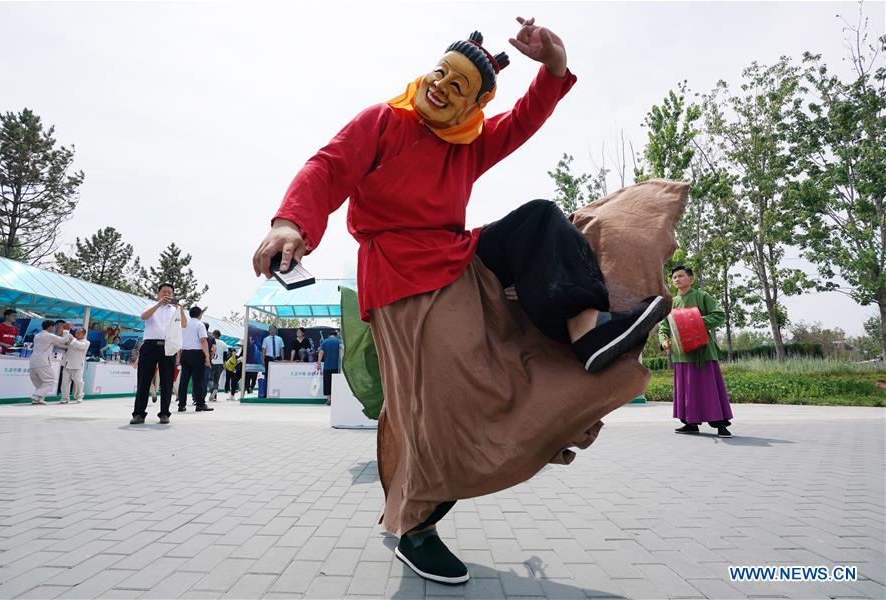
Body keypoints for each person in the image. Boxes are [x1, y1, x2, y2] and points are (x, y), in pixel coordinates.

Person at [253, 18, 667, 584]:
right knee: (444, 405)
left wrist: (554, 65)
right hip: (401, 276)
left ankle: (588, 328)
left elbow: (524, 120)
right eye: (439, 73)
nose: (442, 86)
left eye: (459, 87)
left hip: (459, 258)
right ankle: (416, 527)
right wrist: (289, 223)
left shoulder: (467, 147)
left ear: (471, 107)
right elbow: (327, 167)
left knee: (541, 219)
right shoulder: (383, 121)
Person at [658, 265, 734, 437]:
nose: (677, 279)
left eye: (681, 276)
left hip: (703, 353)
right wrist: (664, 341)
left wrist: (692, 320)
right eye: (674, 277)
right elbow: (664, 327)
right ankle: (690, 423)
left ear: (691, 279)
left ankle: (720, 424)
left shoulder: (702, 296)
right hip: (681, 354)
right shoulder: (671, 303)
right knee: (686, 391)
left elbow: (718, 315)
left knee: (709, 389)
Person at [131, 283, 187, 425]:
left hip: (168, 347)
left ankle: (164, 414)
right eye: (164, 292)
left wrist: (181, 310)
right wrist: (158, 304)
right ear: (158, 293)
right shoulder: (151, 307)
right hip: (150, 345)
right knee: (144, 381)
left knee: (167, 381)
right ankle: (139, 414)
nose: (166, 294)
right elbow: (143, 317)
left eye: (169, 292)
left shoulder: (175, 310)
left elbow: (184, 324)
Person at [177, 307, 214, 413]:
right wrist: (207, 356)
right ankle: (200, 404)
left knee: (183, 381)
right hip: (197, 354)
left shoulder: (184, 325)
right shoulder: (200, 324)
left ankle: (181, 405)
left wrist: (179, 356)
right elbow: (203, 341)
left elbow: (180, 342)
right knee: (198, 381)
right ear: (200, 314)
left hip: (185, 353)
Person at [29, 320, 71, 405]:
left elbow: (56, 342)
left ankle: (38, 399)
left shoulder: (37, 336)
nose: (54, 328)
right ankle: (36, 395)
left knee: (41, 384)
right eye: (54, 327)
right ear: (50, 327)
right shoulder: (49, 336)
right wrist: (66, 330)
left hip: (33, 362)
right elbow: (64, 339)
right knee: (51, 380)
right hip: (43, 362)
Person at [59, 328, 90, 404]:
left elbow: (79, 346)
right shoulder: (73, 340)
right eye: (76, 333)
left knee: (78, 381)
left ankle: (79, 396)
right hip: (67, 363)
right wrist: (66, 334)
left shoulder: (86, 342)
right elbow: (64, 342)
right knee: (65, 382)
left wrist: (73, 339)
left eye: (78, 333)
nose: (76, 335)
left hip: (78, 365)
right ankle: (65, 398)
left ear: (83, 334)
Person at [316, 330, 341, 406]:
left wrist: (319, 363)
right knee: (336, 384)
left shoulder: (325, 342)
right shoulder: (339, 341)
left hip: (327, 366)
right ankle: (336, 399)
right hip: (337, 366)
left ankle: (329, 399)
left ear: (329, 336)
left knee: (327, 383)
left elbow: (321, 352)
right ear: (336, 335)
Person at [208, 330, 228, 401]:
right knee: (216, 380)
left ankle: (212, 390)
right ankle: (214, 395)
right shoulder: (224, 344)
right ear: (220, 335)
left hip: (211, 362)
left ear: (213, 334)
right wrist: (224, 363)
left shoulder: (211, 341)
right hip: (220, 364)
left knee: (209, 379)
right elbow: (225, 355)